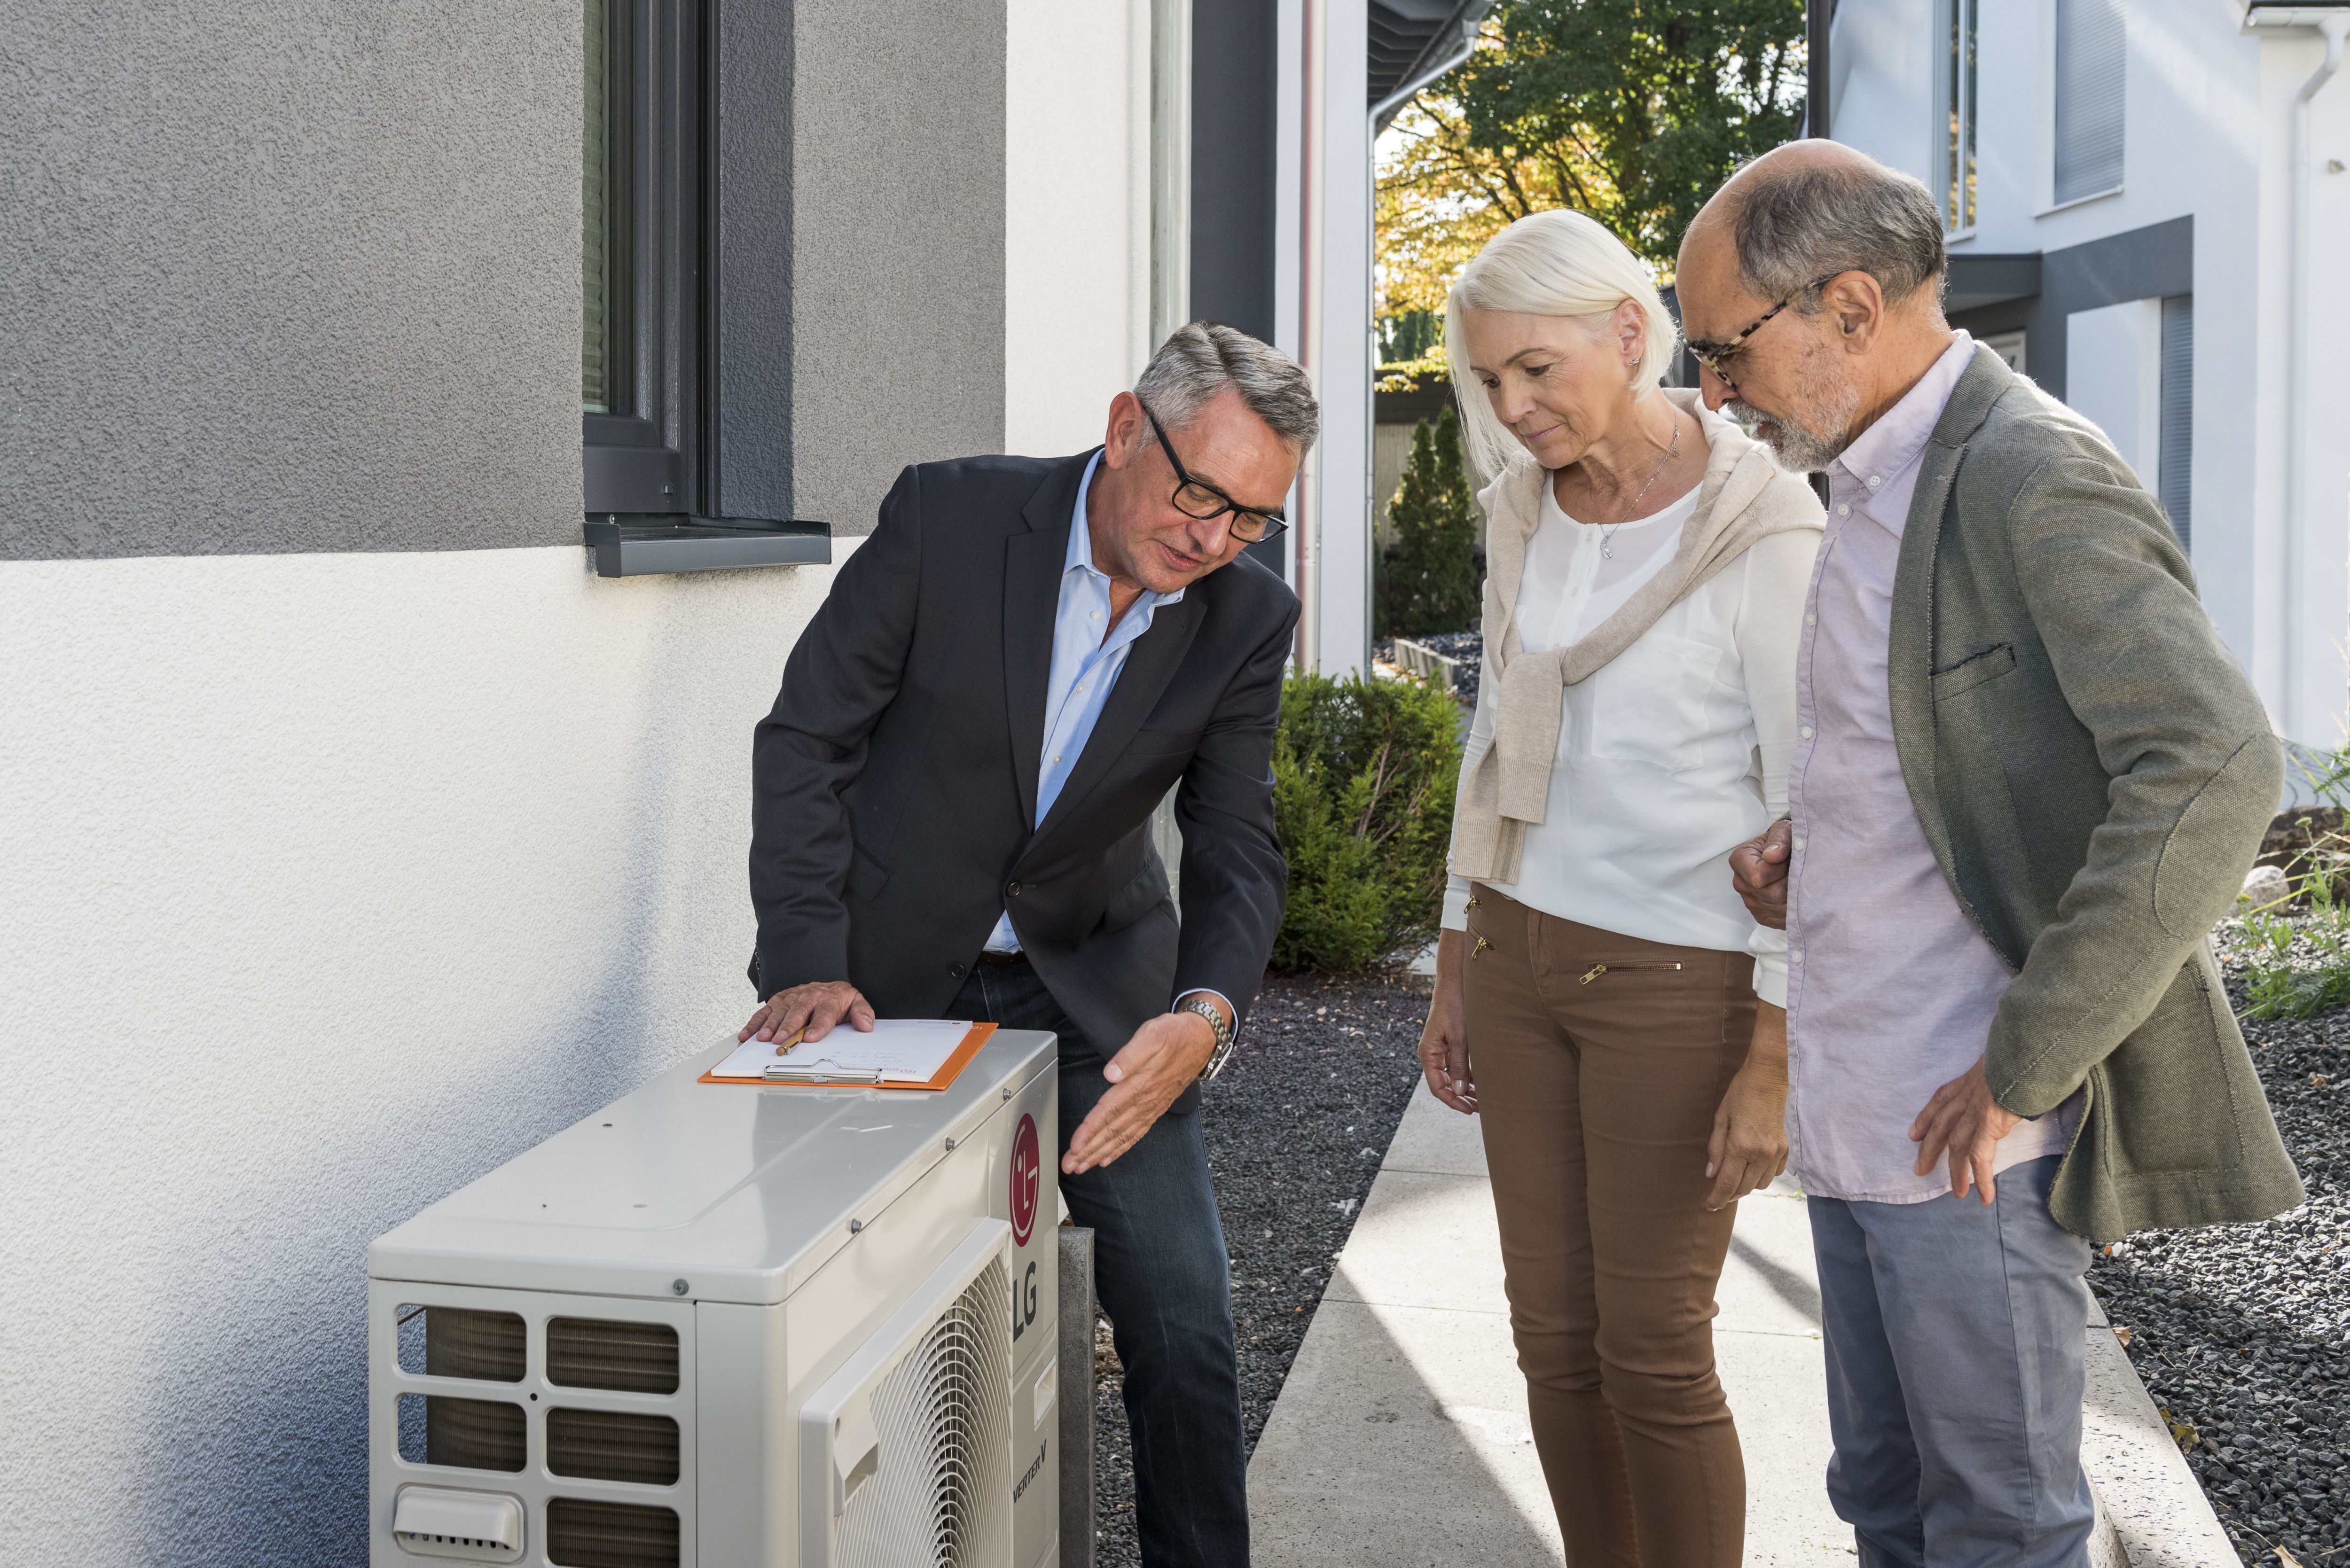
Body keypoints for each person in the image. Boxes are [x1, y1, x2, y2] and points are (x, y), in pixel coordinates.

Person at [1676, 141, 2302, 1568]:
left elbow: (2214, 766)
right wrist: (1813, 847)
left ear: (1847, 305)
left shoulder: (2026, 470)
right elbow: (1953, 750)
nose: (1712, 390)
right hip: (1859, 1111)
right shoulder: (1870, 471)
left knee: (2002, 1531)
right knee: (1888, 1512)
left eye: (1725, 349)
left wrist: (2029, 1059)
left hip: (1970, 1134)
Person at [740, 323, 1313, 1568]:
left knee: (1187, 1321)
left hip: (1098, 1001)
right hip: (878, 984)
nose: (1212, 537)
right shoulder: (949, 518)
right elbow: (807, 740)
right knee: (862, 1316)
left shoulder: (1244, 619)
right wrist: (803, 953)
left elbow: (1235, 843)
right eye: (1201, 491)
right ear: (1124, 428)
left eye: (1252, 517)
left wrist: (1204, 1015)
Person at [1413, 208, 1823, 1568]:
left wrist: (1772, 1048)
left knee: (1653, 1350)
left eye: (1536, 367)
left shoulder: (1764, 530)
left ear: (1631, 334)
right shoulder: (1521, 514)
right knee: (1552, 1340)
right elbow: (1493, 743)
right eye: (1489, 379)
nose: (1513, 404)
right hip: (1522, 959)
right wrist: (1461, 958)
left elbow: (1812, 805)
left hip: (1681, 979)